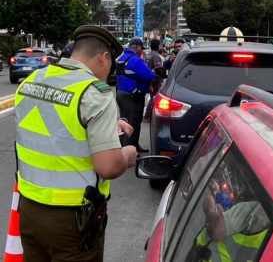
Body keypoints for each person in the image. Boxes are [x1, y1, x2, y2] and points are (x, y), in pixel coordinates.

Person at [14, 25, 137, 262]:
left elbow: (54, 128)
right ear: (104, 57)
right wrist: (128, 155)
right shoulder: (94, 94)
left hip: (29, 210)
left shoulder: (33, 80)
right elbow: (108, 167)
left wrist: (107, 129)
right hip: (73, 219)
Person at [115, 37, 155, 152]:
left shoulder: (121, 58)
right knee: (132, 123)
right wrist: (152, 72)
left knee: (126, 121)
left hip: (121, 94)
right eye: (141, 49)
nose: (142, 51)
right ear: (136, 47)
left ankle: (134, 146)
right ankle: (129, 151)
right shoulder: (135, 60)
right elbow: (148, 75)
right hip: (132, 96)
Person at [143, 39, 166, 123]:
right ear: (158, 46)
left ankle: (147, 116)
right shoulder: (156, 56)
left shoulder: (148, 55)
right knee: (154, 98)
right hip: (155, 80)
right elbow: (159, 69)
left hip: (148, 79)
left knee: (153, 97)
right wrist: (162, 78)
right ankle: (147, 116)